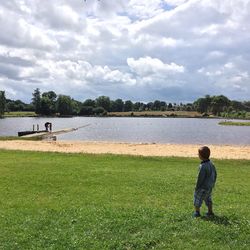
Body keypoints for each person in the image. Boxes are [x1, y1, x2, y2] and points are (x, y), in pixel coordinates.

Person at [193, 146, 217, 218]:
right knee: (208, 198)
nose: (198, 155)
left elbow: (200, 178)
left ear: (201, 156)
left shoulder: (203, 166)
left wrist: (197, 187)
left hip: (202, 187)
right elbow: (215, 174)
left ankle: (197, 213)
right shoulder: (212, 164)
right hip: (209, 187)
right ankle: (210, 211)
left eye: (198, 154)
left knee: (197, 199)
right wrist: (213, 183)